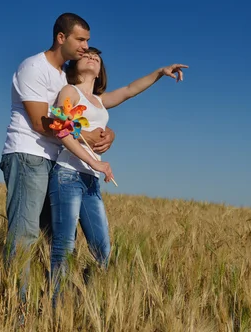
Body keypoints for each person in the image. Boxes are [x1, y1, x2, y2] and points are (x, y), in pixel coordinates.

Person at [47, 46, 187, 306]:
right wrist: (95, 163)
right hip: (67, 175)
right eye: (86, 55)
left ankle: (80, 300)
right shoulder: (70, 92)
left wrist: (160, 72)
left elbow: (130, 90)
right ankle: (56, 309)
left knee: (103, 251)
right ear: (74, 65)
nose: (91, 57)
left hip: (90, 181)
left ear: (100, 70)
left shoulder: (100, 100)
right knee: (64, 248)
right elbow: (61, 129)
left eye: (96, 57)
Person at [0, 13, 116, 305]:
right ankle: (18, 311)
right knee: (25, 236)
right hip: (29, 155)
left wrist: (106, 134)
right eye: (81, 39)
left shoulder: (66, 77)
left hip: (56, 161)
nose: (86, 46)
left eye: (88, 40)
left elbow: (81, 114)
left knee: (55, 238)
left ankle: (55, 303)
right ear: (61, 38)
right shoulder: (33, 67)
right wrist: (86, 138)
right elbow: (40, 122)